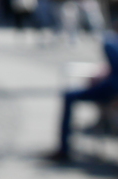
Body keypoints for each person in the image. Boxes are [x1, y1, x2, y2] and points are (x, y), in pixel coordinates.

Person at [46, 32, 118, 161]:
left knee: (69, 97)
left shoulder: (110, 42)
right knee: (71, 95)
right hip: (111, 88)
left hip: (112, 89)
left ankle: (64, 149)